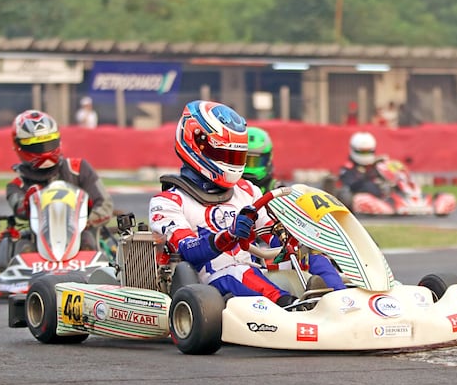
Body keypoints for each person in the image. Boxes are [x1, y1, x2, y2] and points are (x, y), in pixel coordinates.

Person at [148, 100, 306, 308]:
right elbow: (188, 250)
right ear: (196, 145)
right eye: (223, 155)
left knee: (311, 257)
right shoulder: (168, 202)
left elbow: (272, 234)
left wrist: (296, 245)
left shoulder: (247, 191)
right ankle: (290, 306)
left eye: (236, 156)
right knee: (236, 272)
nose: (231, 162)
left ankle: (339, 301)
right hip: (205, 286)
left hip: (252, 274)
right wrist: (228, 235)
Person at [243, 126, 346, 291]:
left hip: (278, 241)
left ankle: (340, 293)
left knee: (313, 251)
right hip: (248, 251)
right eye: (245, 161)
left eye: (254, 162)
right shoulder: (231, 194)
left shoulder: (282, 191)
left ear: (267, 160)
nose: (249, 168)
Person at [6, 109, 114, 252]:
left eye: (49, 142)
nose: (44, 150)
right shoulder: (16, 186)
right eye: (35, 144)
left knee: (89, 240)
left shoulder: (78, 168)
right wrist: (29, 202)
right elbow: (20, 210)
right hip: (39, 246)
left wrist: (83, 222)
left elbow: (105, 205)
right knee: (21, 247)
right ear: (19, 146)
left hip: (81, 238)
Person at [339, 131, 387, 199]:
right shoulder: (347, 169)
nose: (365, 155)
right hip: (360, 201)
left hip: (381, 200)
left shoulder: (376, 166)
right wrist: (367, 179)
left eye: (367, 152)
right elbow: (351, 186)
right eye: (362, 152)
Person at [243, 126, 278, 193]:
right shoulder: (227, 190)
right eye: (245, 160)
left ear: (268, 159)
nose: (251, 167)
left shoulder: (276, 190)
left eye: (256, 161)